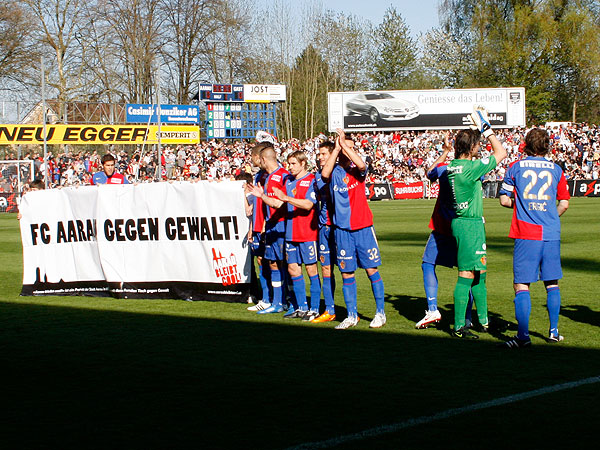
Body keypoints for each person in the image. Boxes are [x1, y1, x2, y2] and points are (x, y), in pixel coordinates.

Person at [498, 127, 570, 348]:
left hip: (527, 232)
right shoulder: (556, 169)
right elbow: (564, 203)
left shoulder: (515, 167)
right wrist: (549, 215)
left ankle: (523, 336)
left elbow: (504, 200)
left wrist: (521, 205)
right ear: (547, 146)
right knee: (552, 282)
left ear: (526, 145)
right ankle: (553, 331)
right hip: (551, 232)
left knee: (521, 284)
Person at [447, 106, 507, 338]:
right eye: (477, 144)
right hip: (469, 225)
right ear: (471, 147)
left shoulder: (454, 166)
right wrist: (486, 128)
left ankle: (484, 321)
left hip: (465, 223)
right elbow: (501, 152)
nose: (480, 147)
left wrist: (473, 130)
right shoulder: (471, 168)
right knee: (467, 275)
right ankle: (459, 327)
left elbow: (467, 155)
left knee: (479, 272)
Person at [321, 129, 386, 329]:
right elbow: (324, 174)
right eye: (344, 147)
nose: (347, 150)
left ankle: (380, 313)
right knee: (346, 273)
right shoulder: (334, 171)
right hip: (342, 230)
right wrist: (336, 149)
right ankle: (351, 315)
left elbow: (362, 164)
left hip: (363, 227)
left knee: (371, 269)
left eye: (350, 147)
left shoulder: (357, 170)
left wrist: (345, 146)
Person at [417, 133, 474, 329]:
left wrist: (445, 152)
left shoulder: (444, 169)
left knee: (428, 264)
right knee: (467, 271)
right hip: (465, 227)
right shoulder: (475, 169)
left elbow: (429, 173)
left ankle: (433, 309)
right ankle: (467, 317)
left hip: (442, 225)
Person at [271, 150, 321, 320]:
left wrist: (286, 198)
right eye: (288, 163)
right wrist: (261, 195)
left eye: (293, 164)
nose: (290, 167)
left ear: (303, 163)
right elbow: (279, 202)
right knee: (293, 269)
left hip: (307, 233)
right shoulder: (289, 181)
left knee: (311, 269)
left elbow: (308, 205)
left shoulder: (311, 180)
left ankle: (315, 308)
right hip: (291, 233)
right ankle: (302, 307)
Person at [249, 145, 291, 314]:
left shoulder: (283, 176)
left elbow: (284, 203)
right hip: (269, 225)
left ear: (262, 158)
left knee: (285, 264)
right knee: (271, 262)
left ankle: (285, 301)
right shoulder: (266, 176)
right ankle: (275, 301)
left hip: (280, 225)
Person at [311, 141, 337, 323]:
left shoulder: (339, 173)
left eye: (323, 154)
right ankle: (330, 309)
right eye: (318, 154)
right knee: (326, 268)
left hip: (340, 228)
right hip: (324, 228)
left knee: (347, 270)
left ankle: (353, 311)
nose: (320, 157)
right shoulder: (316, 176)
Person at [246, 143, 272, 312]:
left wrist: (263, 224)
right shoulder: (259, 176)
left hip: (264, 225)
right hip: (257, 225)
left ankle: (274, 298)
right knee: (261, 260)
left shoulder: (269, 176)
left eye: (252, 157)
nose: (251, 160)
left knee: (273, 262)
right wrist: (252, 227)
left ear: (258, 157)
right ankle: (267, 297)